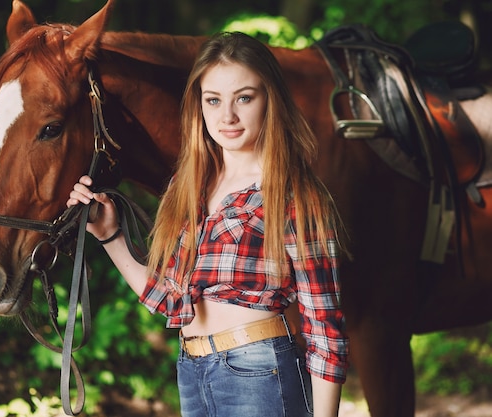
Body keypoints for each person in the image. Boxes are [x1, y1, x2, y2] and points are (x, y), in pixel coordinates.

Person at [67, 31, 349, 417]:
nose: (227, 116)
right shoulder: (189, 191)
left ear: (271, 100)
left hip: (260, 371)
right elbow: (171, 302)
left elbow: (324, 327)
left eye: (244, 98)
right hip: (192, 370)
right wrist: (110, 235)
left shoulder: (295, 194)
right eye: (213, 100)